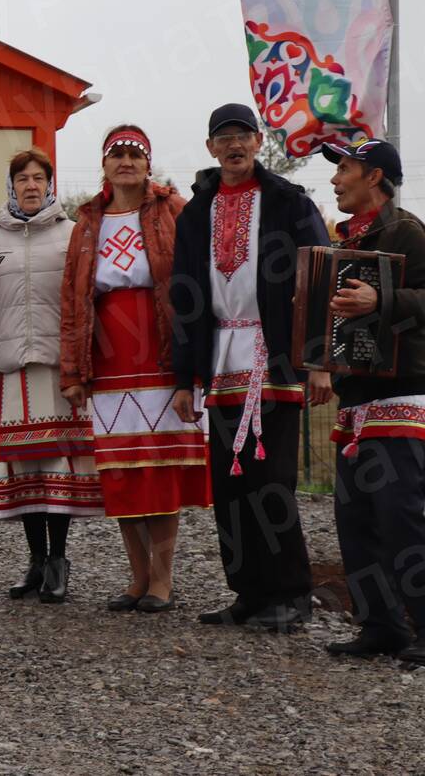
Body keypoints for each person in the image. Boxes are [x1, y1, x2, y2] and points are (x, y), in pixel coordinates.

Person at [171, 105, 327, 631]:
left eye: (243, 135)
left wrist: (318, 361)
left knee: (271, 478)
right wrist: (182, 375)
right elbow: (185, 296)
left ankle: (292, 593)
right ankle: (249, 592)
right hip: (219, 358)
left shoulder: (287, 201)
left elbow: (317, 279)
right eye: (223, 138)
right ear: (211, 148)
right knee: (228, 480)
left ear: (259, 141)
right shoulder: (195, 213)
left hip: (274, 353)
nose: (234, 145)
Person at [61, 124, 208, 614]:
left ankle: (163, 580)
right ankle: (138, 576)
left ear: (148, 164)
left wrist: (194, 359)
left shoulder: (172, 210)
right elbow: (71, 299)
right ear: (103, 165)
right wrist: (73, 372)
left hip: (159, 349)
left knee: (159, 468)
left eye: (135, 155)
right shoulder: (87, 223)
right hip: (106, 355)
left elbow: (194, 279)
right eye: (116, 155)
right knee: (121, 471)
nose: (126, 162)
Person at [0, 148, 101, 603]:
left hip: (56, 369)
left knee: (54, 465)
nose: (30, 185)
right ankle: (36, 561)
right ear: (11, 186)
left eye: (38, 177)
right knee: (25, 467)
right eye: (22, 178)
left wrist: (82, 367)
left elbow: (84, 305)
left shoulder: (72, 235)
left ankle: (60, 559)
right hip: (10, 371)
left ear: (50, 184)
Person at [317, 139, 425, 664]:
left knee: (402, 517)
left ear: (374, 176)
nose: (336, 179)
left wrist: (381, 299)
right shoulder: (342, 242)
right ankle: (380, 626)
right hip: (355, 397)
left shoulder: (407, 231)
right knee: (355, 519)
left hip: (402, 392)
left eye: (345, 168)